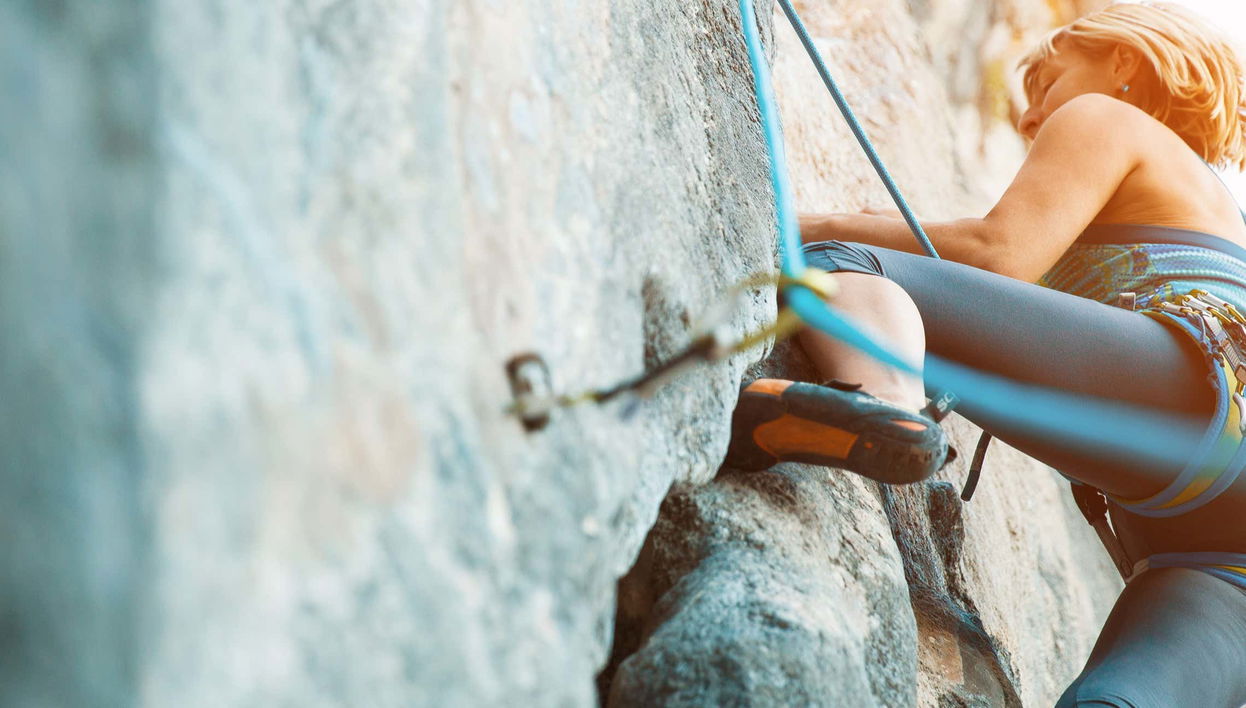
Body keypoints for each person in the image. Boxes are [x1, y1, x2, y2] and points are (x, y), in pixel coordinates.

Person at [724, 3, 1246, 706]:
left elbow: (1000, 255)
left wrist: (817, 222)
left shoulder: (1109, 115)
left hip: (1193, 405)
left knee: (833, 264)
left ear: (1123, 62)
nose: (1030, 119)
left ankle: (881, 407)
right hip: (1216, 549)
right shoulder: (1213, 208)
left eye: (1047, 82)